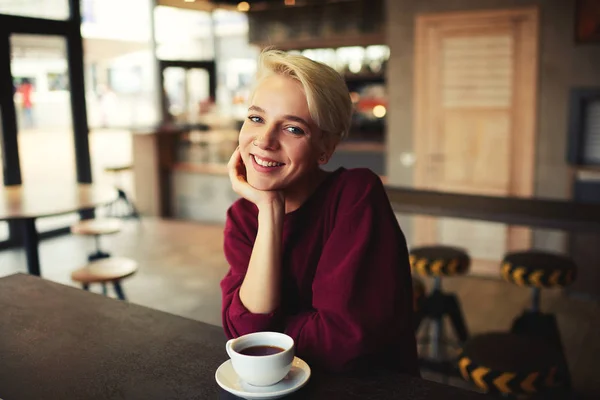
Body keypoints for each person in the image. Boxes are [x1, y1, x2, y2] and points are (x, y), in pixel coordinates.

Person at [220, 49, 419, 375]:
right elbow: (246, 331)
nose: (265, 140)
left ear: (325, 148)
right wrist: (270, 209)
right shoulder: (244, 217)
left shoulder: (355, 195)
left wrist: (268, 336)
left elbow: (342, 339)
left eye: (293, 129)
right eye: (256, 118)